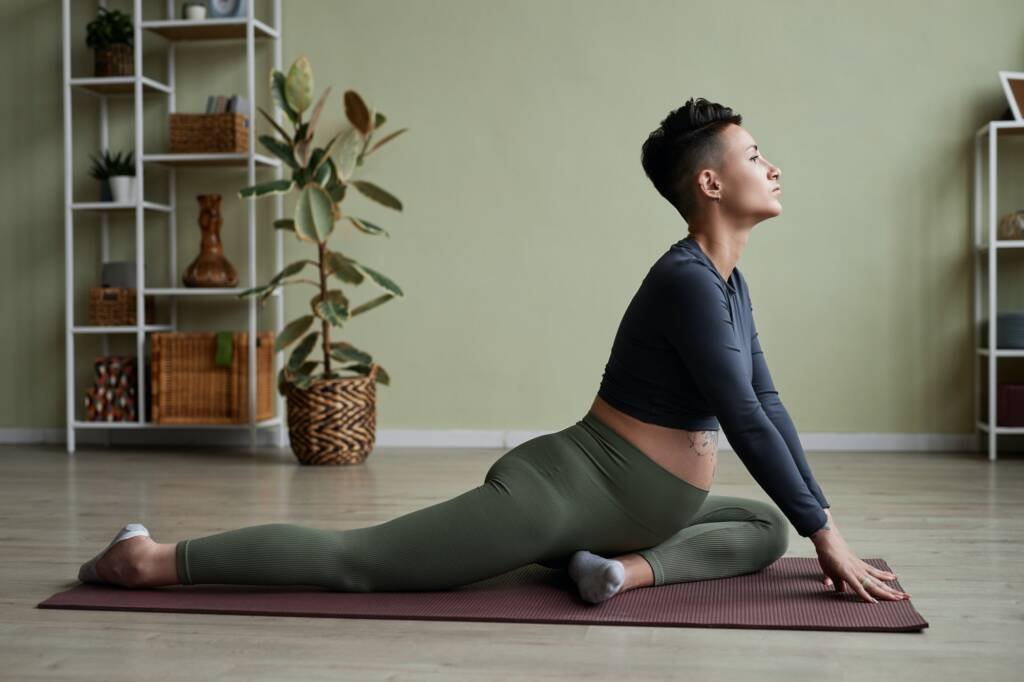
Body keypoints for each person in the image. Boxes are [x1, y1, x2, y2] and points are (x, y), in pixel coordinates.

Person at [78, 97, 909, 605]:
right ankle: (149, 560)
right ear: (711, 183)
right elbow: (740, 415)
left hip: (638, 512)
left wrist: (816, 525)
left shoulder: (729, 282)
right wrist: (828, 535)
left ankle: (613, 573)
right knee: (360, 564)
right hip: (563, 491)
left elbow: (768, 404)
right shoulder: (688, 280)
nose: (774, 166)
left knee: (763, 530)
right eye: (755, 155)